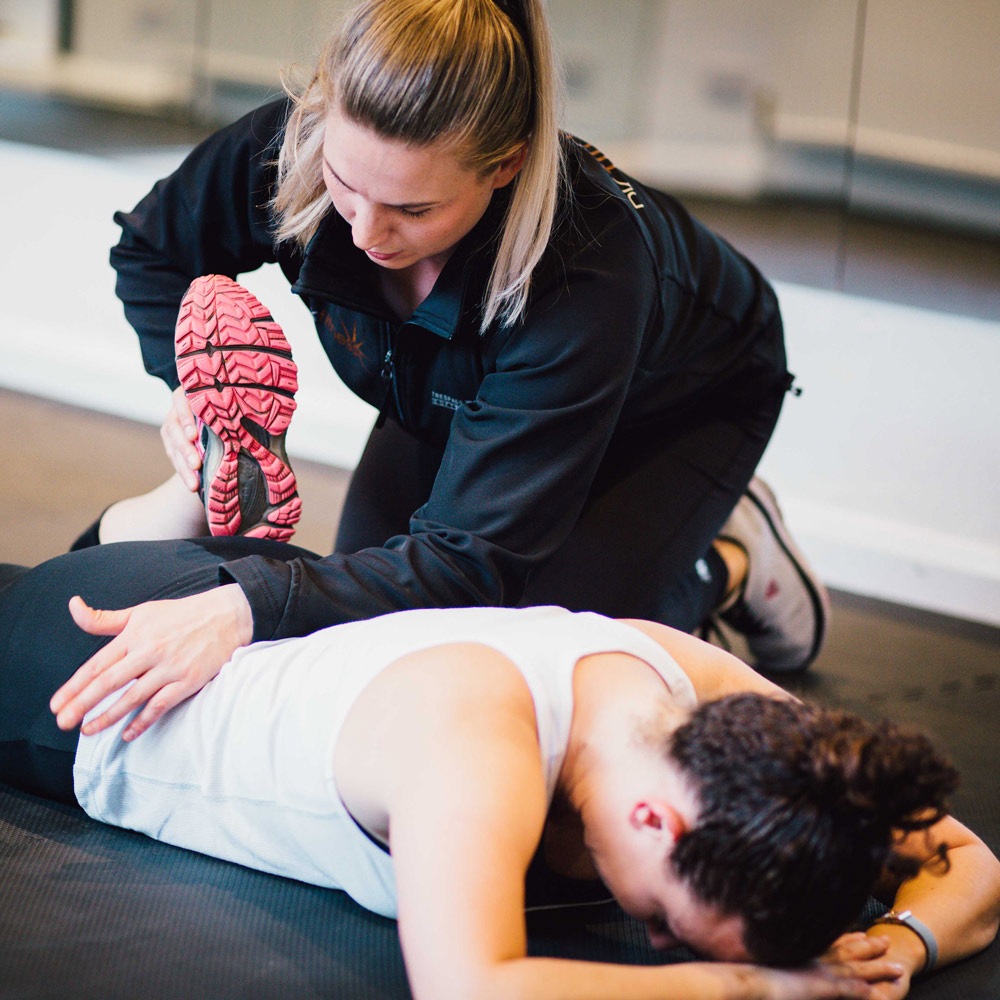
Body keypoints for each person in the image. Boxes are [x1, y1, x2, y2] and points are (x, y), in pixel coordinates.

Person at [67, 0, 829, 741]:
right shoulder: (297, 144)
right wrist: (193, 386)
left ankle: (733, 559)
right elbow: (152, 251)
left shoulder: (584, 275)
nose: (364, 231)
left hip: (680, 402)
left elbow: (469, 566)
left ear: (505, 166)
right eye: (344, 183)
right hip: (467, 394)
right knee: (379, 642)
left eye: (413, 208)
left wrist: (244, 608)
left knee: (542, 668)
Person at [1, 543, 999, 1000]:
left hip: (268, 626)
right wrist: (750, 984)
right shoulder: (473, 740)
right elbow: (475, 987)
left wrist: (902, 943)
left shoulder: (705, 698)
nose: (647, 937)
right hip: (96, 685)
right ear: (661, 818)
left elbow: (970, 863)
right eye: (663, 917)